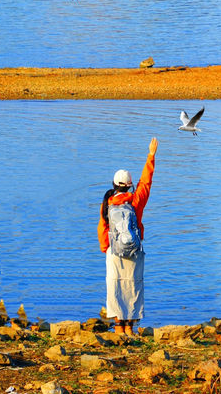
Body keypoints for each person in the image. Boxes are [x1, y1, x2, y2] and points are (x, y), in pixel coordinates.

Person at [97, 137, 158, 335]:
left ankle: (118, 327)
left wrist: (105, 247)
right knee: (133, 286)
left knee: (115, 286)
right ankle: (130, 328)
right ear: (130, 185)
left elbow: (103, 227)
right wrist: (151, 156)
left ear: (114, 184)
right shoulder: (136, 201)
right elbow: (146, 183)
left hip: (114, 252)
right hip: (134, 250)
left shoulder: (108, 202)